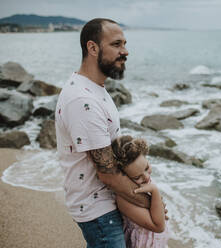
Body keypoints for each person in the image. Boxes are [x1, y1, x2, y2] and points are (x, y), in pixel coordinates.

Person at [55, 18, 152, 248]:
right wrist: (149, 202)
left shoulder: (94, 88)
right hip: (97, 210)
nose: (125, 51)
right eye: (117, 44)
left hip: (105, 204)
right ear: (92, 47)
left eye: (125, 44)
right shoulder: (82, 100)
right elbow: (107, 173)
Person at [111, 135, 170, 248]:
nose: (147, 177)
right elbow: (159, 226)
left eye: (147, 168)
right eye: (137, 177)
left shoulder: (144, 181)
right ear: (124, 178)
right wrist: (155, 191)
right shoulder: (124, 199)